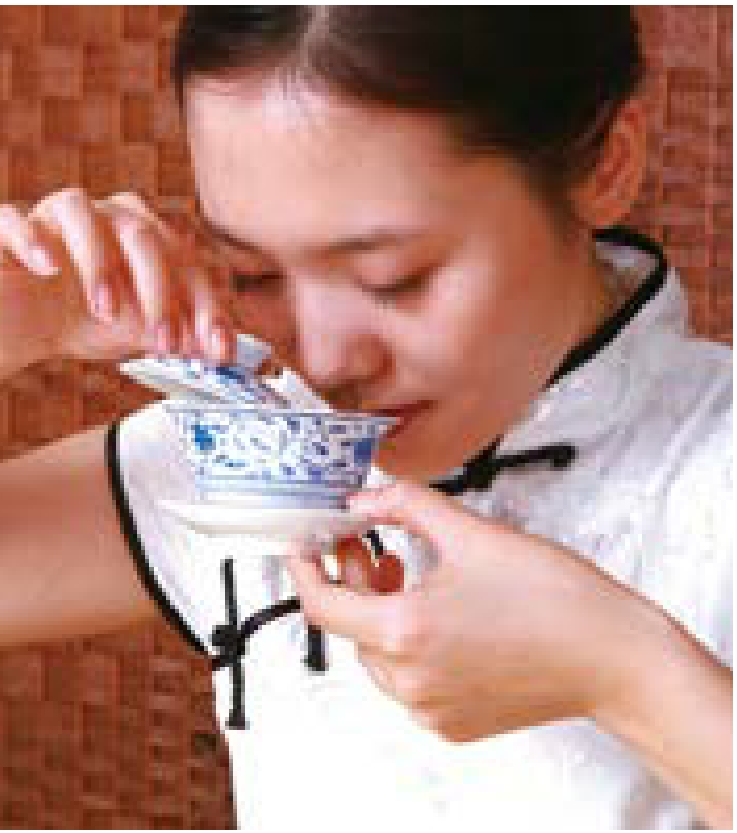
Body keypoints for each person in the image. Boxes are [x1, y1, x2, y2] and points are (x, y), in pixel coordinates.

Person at [0, 7, 731, 830]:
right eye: (254, 273)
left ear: (606, 165)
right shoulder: (249, 451)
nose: (323, 359)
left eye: (394, 278)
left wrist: (624, 675)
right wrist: (18, 326)